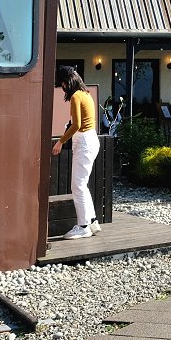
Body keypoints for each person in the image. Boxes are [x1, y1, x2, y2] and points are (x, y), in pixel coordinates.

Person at [51, 67, 100, 239]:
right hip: (91, 139)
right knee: (82, 184)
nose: (62, 87)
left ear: (67, 82)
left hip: (84, 142)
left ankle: (83, 226)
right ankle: (92, 221)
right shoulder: (86, 94)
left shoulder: (76, 96)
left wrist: (60, 142)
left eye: (62, 84)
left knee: (77, 185)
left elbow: (77, 125)